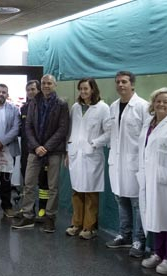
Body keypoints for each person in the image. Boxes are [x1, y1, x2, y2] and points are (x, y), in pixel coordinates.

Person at [136, 87, 167, 274]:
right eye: (158, 101)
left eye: (166, 101)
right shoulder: (149, 123)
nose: (161, 104)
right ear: (152, 104)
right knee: (154, 217)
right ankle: (157, 253)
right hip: (149, 178)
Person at [101, 71, 149, 258]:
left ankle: (139, 241)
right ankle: (124, 235)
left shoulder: (143, 106)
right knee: (121, 199)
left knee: (137, 203)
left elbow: (146, 138)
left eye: (124, 82)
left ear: (132, 85)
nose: (121, 85)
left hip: (136, 162)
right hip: (117, 161)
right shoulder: (113, 107)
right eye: (118, 82)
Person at [13, 74, 69, 232]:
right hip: (34, 150)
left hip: (54, 151)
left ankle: (50, 217)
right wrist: (37, 146)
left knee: (53, 186)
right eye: (44, 83)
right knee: (29, 183)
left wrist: (47, 147)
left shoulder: (62, 104)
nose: (46, 86)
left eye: (49, 83)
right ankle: (28, 216)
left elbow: (62, 129)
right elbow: (28, 126)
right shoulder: (33, 102)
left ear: (55, 85)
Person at [65, 78, 109, 239]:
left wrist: (94, 143)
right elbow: (70, 130)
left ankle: (89, 227)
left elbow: (109, 132)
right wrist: (67, 151)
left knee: (90, 192)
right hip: (75, 154)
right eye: (81, 89)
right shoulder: (76, 107)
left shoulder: (103, 108)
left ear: (93, 89)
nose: (83, 92)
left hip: (92, 155)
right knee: (76, 190)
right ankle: (76, 224)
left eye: (86, 89)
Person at [0, 83, 20, 218]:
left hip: (8, 148)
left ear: (7, 94)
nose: (1, 94)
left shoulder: (14, 109)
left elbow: (16, 128)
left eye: (4, 92)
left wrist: (2, 142)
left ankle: (7, 206)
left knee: (6, 180)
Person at [19, 80, 48, 220]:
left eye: (33, 89)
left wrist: (40, 146)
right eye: (28, 89)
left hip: (42, 149)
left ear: (39, 90)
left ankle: (43, 208)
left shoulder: (45, 106)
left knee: (43, 180)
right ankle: (28, 209)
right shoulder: (23, 108)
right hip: (27, 149)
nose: (31, 92)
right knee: (27, 181)